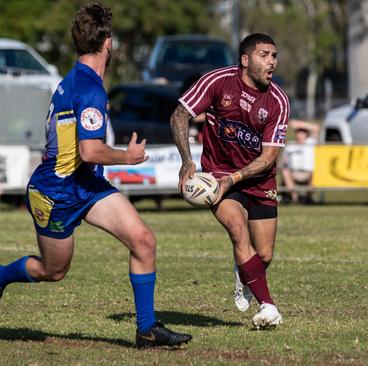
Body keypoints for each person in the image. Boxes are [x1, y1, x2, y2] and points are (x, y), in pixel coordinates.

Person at [0, 3, 192, 348]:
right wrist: (128, 157)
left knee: (143, 240)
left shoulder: (77, 79)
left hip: (87, 184)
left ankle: (147, 329)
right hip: (56, 192)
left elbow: (84, 156)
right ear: (109, 44)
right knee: (53, 271)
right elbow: (90, 150)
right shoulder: (88, 88)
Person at [170, 33, 289, 329]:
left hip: (258, 180)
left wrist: (236, 177)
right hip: (217, 174)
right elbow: (179, 115)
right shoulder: (217, 82)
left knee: (264, 254)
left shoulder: (278, 101)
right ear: (245, 59)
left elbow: (268, 157)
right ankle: (268, 307)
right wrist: (187, 159)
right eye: (264, 55)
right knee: (238, 231)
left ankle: (244, 273)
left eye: (274, 55)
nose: (271, 62)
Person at [279, 119, 320, 204]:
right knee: (285, 171)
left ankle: (308, 198)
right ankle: (295, 199)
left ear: (306, 134)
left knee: (316, 172)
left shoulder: (311, 143)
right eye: (298, 132)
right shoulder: (290, 145)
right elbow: (283, 161)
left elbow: (316, 128)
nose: (300, 135)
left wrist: (299, 124)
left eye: (302, 133)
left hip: (309, 173)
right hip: (294, 173)